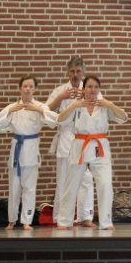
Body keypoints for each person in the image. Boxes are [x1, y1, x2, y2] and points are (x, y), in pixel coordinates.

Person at [56, 76, 127, 230]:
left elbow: (123, 117)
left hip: (100, 146)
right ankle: (64, 220)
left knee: (105, 184)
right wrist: (73, 106)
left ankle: (106, 222)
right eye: (89, 86)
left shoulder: (104, 105)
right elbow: (60, 120)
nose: (93, 90)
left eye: (96, 87)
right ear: (83, 89)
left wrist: (110, 104)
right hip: (79, 145)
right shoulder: (77, 105)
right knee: (71, 184)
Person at [0, 76, 57, 230]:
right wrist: (9, 110)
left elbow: (55, 121)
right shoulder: (13, 107)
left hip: (32, 150)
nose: (28, 89)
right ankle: (12, 220)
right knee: (14, 187)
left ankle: (27, 220)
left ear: (35, 89)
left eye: (31, 86)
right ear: (20, 88)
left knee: (29, 188)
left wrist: (39, 110)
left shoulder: (40, 107)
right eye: (25, 86)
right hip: (16, 150)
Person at [46, 57, 96, 227]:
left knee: (86, 179)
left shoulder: (90, 89)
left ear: (83, 72)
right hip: (67, 137)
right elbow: (46, 110)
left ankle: (86, 216)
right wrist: (61, 98)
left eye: (78, 71)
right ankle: (61, 218)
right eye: (72, 71)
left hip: (84, 139)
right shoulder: (60, 90)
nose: (75, 74)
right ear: (68, 73)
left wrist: (86, 97)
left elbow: (101, 108)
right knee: (64, 179)